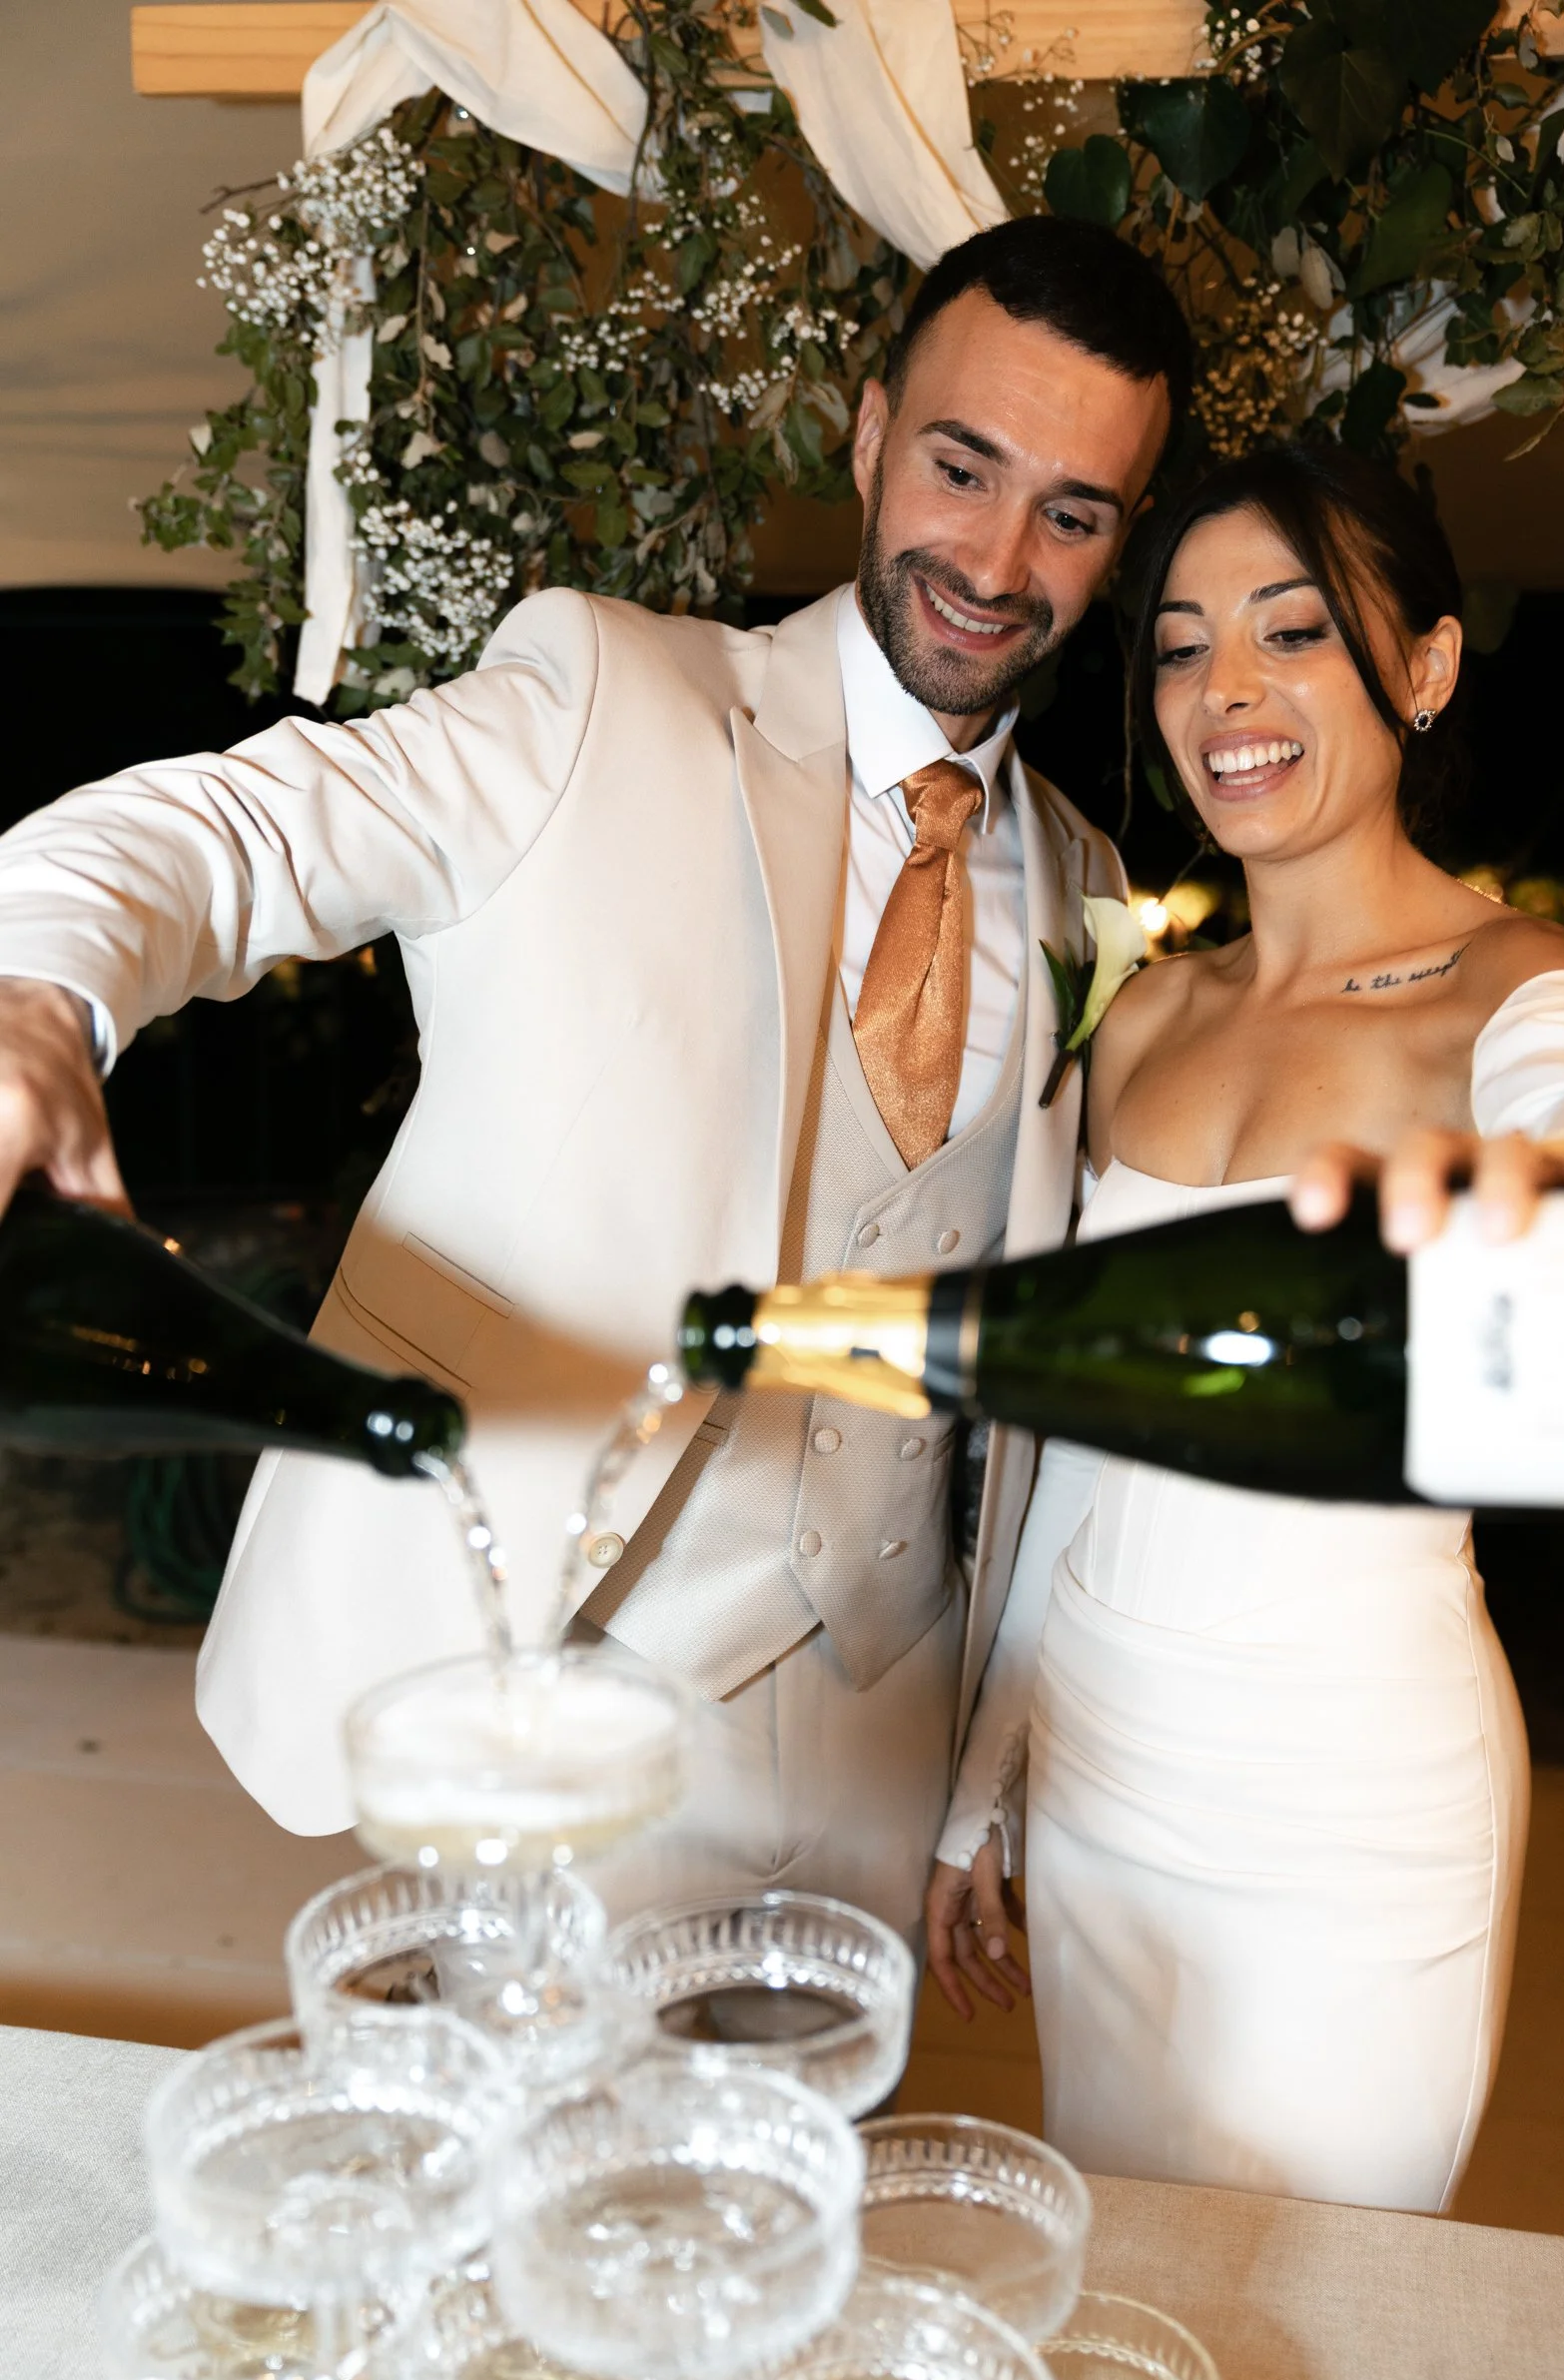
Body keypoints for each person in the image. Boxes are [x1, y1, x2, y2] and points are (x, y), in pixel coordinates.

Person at [0, 218, 1189, 1937]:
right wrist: (39, 992)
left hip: (886, 1703)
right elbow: (234, 829)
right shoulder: (600, 700)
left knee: (806, 2186)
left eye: (1069, 513)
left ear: (1114, 539)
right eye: (961, 467)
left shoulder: (1089, 892)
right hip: (554, 1670)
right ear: (868, 437)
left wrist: (987, 1752)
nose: (998, 558)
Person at [928, 439, 1564, 2210]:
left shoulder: (1521, 994)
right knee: (1130, 2287)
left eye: (1292, 631)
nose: (1222, 691)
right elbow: (1074, 1430)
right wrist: (980, 1782)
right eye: (1176, 645)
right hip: (1094, 1756)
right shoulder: (1150, 1017)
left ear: (1423, 667)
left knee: (1328, 2316)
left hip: (1351, 1791)